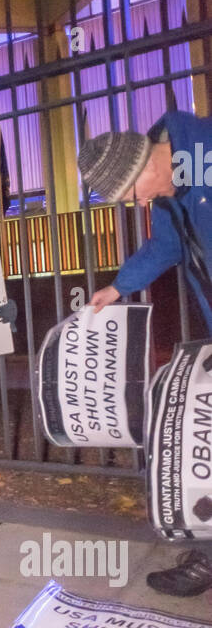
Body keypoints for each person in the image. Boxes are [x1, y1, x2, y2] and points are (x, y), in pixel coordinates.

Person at [78, 110, 212, 596]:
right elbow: (165, 247)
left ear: (149, 158)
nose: (140, 200)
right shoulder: (168, 182)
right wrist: (116, 288)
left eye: (137, 188)